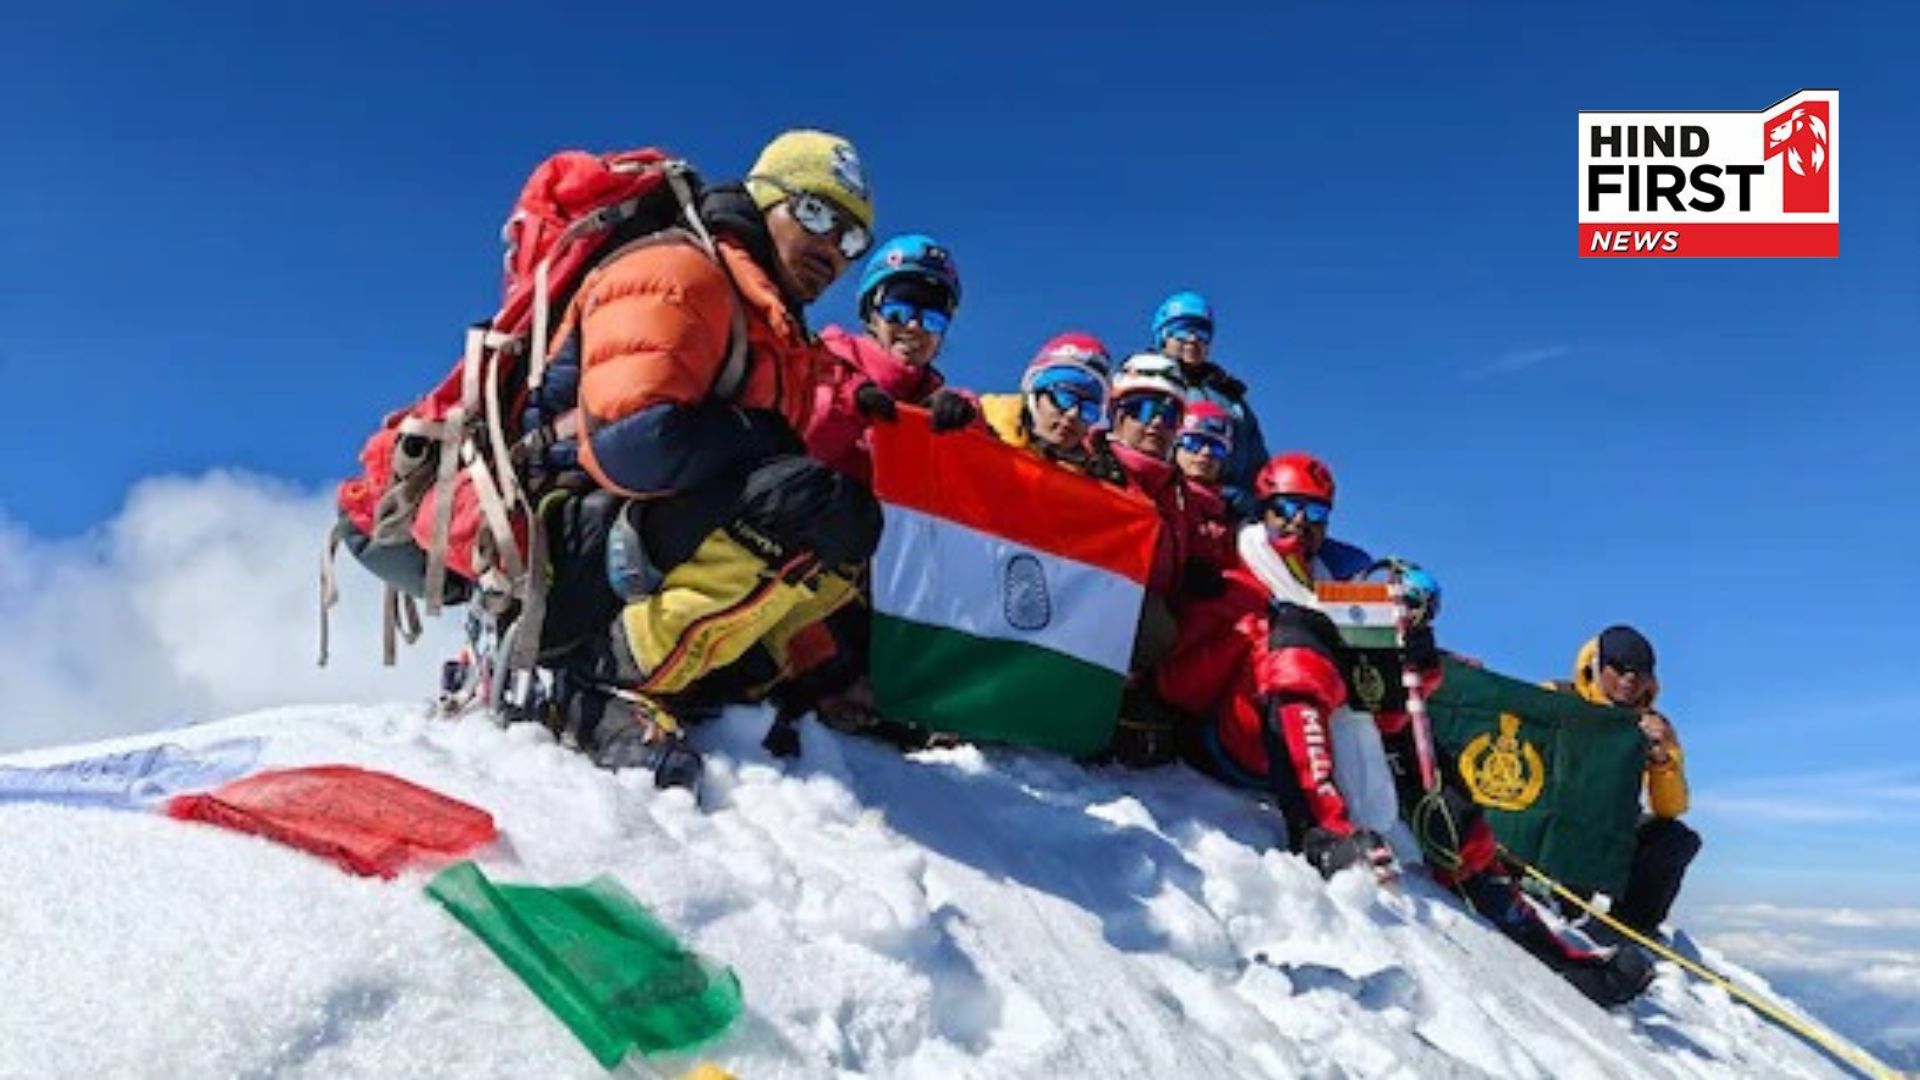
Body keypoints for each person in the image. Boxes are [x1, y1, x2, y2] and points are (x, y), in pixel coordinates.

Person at [1156, 451, 1652, 1007]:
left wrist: (1410, 664)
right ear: (1264, 508)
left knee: (1439, 797)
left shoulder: (1334, 586)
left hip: (1323, 734)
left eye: (1315, 514)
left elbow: (1383, 712)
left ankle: (1553, 951)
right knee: (1296, 638)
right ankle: (1322, 831)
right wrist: (1258, 631)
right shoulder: (1236, 574)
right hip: (1236, 734)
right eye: (1287, 509)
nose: (1300, 524)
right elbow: (1180, 684)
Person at [537, 128, 885, 776]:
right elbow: (631, 448)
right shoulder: (679, 271)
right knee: (810, 501)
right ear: (763, 199)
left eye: (852, 238)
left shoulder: (773, 324)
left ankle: (724, 675)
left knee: (850, 523)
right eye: (815, 213)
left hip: (638, 535)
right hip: (568, 551)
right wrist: (765, 439)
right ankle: (600, 666)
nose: (833, 247)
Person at [1553, 625, 1702, 939]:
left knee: (1674, 840)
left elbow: (1671, 807)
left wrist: (1661, 759)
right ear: (1597, 665)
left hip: (1614, 825)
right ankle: (1558, 908)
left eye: (1639, 672)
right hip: (1558, 819)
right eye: (1620, 668)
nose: (1629, 679)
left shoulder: (1655, 726)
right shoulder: (1556, 699)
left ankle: (1631, 929)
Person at [805, 234, 977, 484]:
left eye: (933, 317)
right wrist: (847, 405)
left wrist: (970, 425)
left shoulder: (937, 404)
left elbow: (977, 486)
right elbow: (791, 442)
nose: (914, 326)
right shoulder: (816, 362)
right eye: (898, 310)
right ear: (871, 315)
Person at [1150, 291, 1271, 520]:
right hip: (1163, 504)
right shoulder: (1146, 380)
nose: (1193, 339)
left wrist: (1252, 504)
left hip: (1226, 512)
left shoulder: (1232, 399)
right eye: (1183, 330)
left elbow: (1257, 462)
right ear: (1163, 334)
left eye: (1202, 333)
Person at [978, 333, 1126, 483]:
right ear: (1035, 394)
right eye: (1065, 397)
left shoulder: (1086, 482)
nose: (1073, 414)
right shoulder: (978, 420)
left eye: (1089, 409)